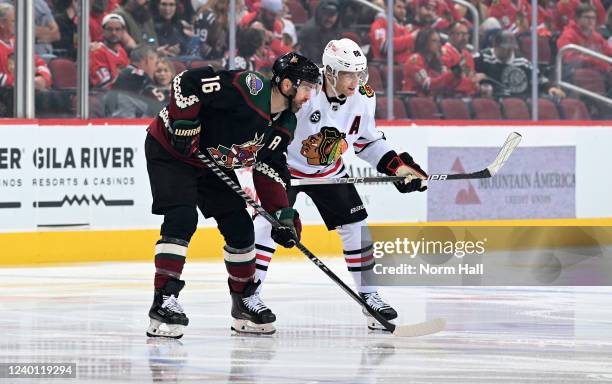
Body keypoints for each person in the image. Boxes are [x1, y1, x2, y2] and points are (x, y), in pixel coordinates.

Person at [252, 38, 428, 331]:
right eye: (348, 74)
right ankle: (249, 298)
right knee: (266, 226)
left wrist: (397, 167)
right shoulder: (306, 89)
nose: (355, 80)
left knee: (357, 225)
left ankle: (371, 297)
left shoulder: (364, 96)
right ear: (330, 72)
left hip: (329, 171)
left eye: (360, 73)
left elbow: (367, 141)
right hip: (286, 167)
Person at [144, 52, 321, 338]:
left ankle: (243, 302)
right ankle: (163, 300)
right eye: (307, 88)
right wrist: (185, 122)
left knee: (240, 227)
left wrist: (282, 215)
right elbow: (187, 81)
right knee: (182, 217)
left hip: (212, 163)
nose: (309, 97)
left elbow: (269, 167)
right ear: (287, 85)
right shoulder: (250, 88)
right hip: (172, 152)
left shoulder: (285, 123)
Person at [474, 29, 565, 98]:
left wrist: (550, 88)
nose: (508, 51)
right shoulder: (482, 58)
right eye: (504, 48)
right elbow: (467, 72)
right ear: (495, 45)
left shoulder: (523, 62)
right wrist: (474, 76)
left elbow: (540, 79)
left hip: (521, 103)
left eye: (511, 48)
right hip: (494, 103)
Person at [402, 27, 462, 97]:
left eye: (439, 41)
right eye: (434, 41)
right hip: (413, 101)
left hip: (429, 101)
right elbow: (427, 85)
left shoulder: (436, 61)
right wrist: (448, 76)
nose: (438, 44)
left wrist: (455, 76)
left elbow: (445, 84)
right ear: (424, 42)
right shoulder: (414, 60)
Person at [106, 45, 161, 117]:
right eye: (156, 63)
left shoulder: (127, 73)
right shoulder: (139, 77)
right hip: (127, 123)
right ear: (147, 60)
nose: (156, 68)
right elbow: (160, 103)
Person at [441, 20, 487, 97]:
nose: (464, 37)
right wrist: (472, 81)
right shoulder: (444, 53)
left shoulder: (467, 54)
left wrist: (478, 86)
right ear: (450, 35)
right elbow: (448, 82)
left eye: (466, 34)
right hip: (452, 98)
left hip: (469, 97)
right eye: (460, 34)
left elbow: (470, 76)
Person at [90, 13, 130, 89]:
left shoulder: (122, 51)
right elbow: (104, 84)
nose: (114, 33)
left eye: (117, 29)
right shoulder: (97, 52)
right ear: (103, 30)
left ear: (123, 31)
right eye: (109, 29)